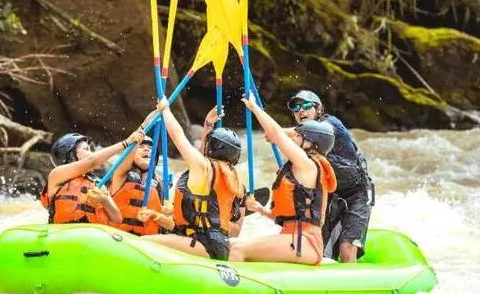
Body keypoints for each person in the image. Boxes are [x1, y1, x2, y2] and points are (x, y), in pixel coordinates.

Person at [231, 95, 337, 265]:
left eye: (298, 136)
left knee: (238, 249)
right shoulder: (303, 165)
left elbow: (276, 134)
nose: (293, 138)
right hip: (293, 238)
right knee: (231, 245)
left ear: (311, 143)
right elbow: (288, 218)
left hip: (305, 242)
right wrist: (259, 209)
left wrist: (254, 108)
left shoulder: (308, 165)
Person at [142, 102, 245, 260]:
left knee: (143, 243)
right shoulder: (231, 177)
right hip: (216, 243)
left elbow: (178, 136)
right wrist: (207, 125)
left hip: (204, 243)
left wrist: (166, 110)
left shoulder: (203, 168)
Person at [286, 90, 375, 262]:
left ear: (318, 109)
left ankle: (352, 285)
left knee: (346, 249)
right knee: (320, 250)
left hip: (357, 194)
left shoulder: (330, 123)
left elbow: (319, 131)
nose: (301, 111)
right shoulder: (301, 144)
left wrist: (278, 133)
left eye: (306, 106)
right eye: (296, 108)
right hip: (331, 197)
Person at [40, 130, 143, 225]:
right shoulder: (56, 175)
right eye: (86, 149)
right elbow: (91, 161)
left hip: (90, 238)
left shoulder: (97, 184)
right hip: (62, 234)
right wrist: (125, 143)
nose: (91, 153)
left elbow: (117, 218)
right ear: (71, 155)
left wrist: (104, 200)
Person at [103, 134, 167, 235]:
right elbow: (127, 156)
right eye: (141, 147)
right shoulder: (121, 175)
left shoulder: (160, 184)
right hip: (117, 237)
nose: (146, 150)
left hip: (145, 242)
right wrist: (135, 142)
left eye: (150, 148)